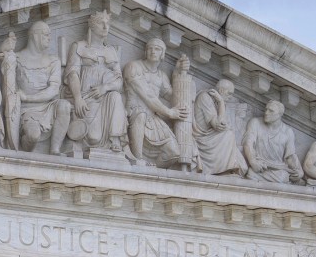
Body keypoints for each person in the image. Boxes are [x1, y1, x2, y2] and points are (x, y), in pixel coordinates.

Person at [64, 10, 127, 157]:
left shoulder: (111, 51)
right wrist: (78, 98)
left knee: (116, 96)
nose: (105, 27)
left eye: (108, 23)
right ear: (91, 26)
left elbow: (119, 81)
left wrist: (105, 88)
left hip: (105, 97)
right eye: (101, 23)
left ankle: (115, 138)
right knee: (94, 137)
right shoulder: (79, 46)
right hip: (86, 97)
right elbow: (72, 74)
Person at [2, 20, 67, 153]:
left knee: (64, 105)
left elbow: (54, 90)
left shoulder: (53, 60)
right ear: (35, 36)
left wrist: (28, 97)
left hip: (47, 106)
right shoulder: (17, 58)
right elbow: (5, 80)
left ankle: (55, 149)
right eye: (46, 35)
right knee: (33, 135)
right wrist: (3, 51)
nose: (50, 38)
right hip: (26, 110)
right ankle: (25, 154)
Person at [122, 36, 188, 167]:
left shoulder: (161, 76)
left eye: (157, 49)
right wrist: (169, 112)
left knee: (174, 153)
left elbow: (171, 96)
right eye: (150, 48)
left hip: (153, 117)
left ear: (162, 54)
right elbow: (147, 95)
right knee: (141, 114)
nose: (153, 51)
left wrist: (180, 73)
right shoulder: (134, 67)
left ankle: (151, 170)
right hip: (134, 112)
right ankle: (138, 159)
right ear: (145, 51)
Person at [188, 75, 247, 175]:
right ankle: (223, 171)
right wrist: (221, 102)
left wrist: (221, 103)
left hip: (214, 138)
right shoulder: (205, 97)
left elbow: (224, 125)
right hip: (202, 138)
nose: (231, 97)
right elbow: (219, 125)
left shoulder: (218, 101)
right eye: (230, 94)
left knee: (243, 167)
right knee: (228, 135)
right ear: (222, 90)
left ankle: (226, 169)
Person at [243, 97, 303, 183]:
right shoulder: (255, 122)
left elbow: (290, 156)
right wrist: (252, 161)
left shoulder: (287, 131)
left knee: (283, 178)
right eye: (266, 110)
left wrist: (299, 171)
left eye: (271, 111)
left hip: (278, 171)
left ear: (280, 114)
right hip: (259, 167)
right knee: (251, 174)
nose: (266, 113)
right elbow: (248, 143)